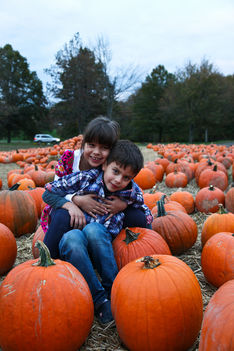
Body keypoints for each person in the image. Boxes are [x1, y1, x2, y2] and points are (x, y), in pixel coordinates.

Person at [42, 140, 153, 325]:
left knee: (94, 230)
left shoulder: (132, 190)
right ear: (105, 165)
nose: (118, 180)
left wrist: (124, 205)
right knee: (70, 238)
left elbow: (146, 214)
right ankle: (99, 300)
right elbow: (48, 191)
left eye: (126, 177)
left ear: (132, 178)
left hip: (102, 242)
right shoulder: (86, 178)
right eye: (115, 171)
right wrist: (73, 201)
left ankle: (114, 289)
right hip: (78, 240)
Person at [41, 116, 151, 259]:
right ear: (84, 143)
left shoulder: (113, 165)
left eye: (104, 148)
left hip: (103, 212)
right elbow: (53, 192)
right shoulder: (69, 159)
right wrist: (75, 201)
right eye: (91, 145)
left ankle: (127, 251)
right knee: (62, 216)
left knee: (137, 217)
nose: (97, 152)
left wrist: (123, 204)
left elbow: (130, 190)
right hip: (70, 209)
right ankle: (50, 259)